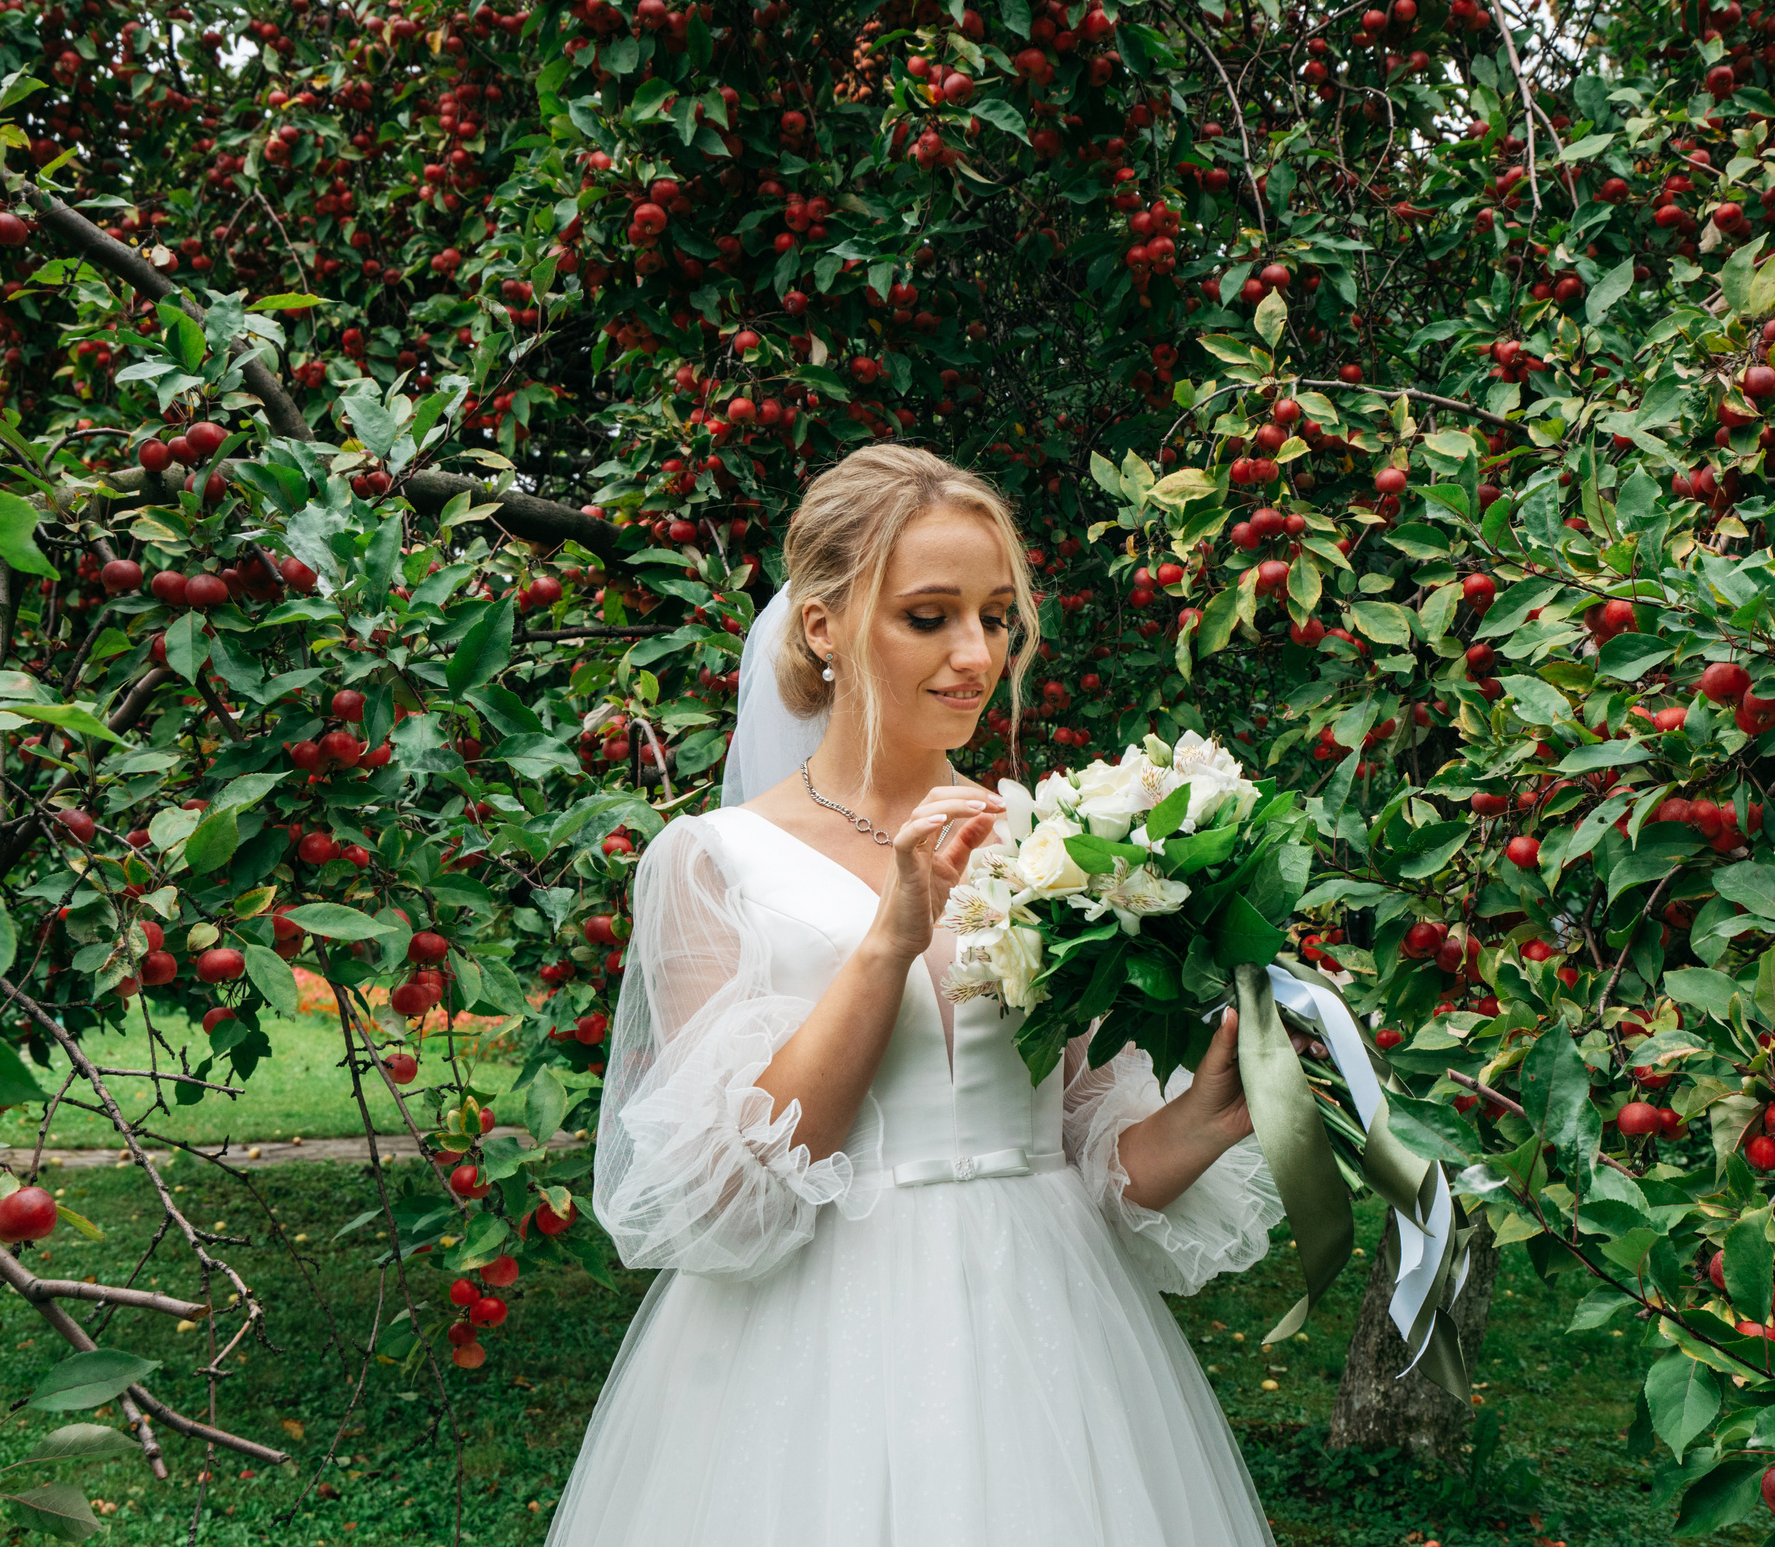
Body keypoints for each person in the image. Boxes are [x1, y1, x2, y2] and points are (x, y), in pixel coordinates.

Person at [546, 446, 1286, 1546]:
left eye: (996, 617)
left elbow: (1097, 1163)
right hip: (807, 1357)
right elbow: (725, 1200)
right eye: (929, 616)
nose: (975, 654)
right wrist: (888, 943)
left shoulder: (1051, 843)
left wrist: (1215, 1112)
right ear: (821, 629)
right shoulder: (712, 862)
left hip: (1051, 1337)